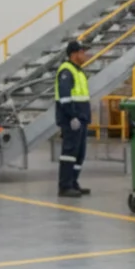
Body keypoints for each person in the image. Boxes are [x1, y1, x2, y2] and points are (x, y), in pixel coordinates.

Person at [55, 40, 92, 198]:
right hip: (72, 120)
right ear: (74, 54)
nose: (85, 55)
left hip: (81, 118)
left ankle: (73, 183)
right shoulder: (66, 71)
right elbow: (65, 97)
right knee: (69, 152)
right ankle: (65, 186)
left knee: (79, 153)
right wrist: (72, 116)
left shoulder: (79, 71)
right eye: (82, 52)